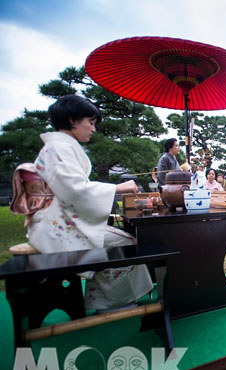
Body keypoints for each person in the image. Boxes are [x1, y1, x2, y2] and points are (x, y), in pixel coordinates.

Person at [27, 95, 153, 311]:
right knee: (126, 243)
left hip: (63, 218)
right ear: (71, 120)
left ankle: (106, 297)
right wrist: (117, 187)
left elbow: (75, 189)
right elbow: (75, 190)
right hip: (55, 225)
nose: (93, 129)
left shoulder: (60, 146)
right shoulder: (57, 148)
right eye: (91, 122)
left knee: (122, 238)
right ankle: (113, 301)